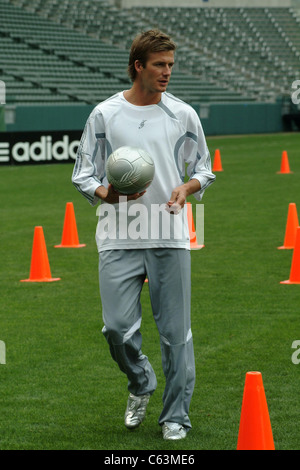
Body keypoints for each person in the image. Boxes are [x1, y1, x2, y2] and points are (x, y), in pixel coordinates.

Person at [72, 29, 215, 440]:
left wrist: (188, 188)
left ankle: (175, 417)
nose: (167, 72)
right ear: (138, 66)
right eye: (159, 65)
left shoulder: (182, 114)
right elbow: (83, 174)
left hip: (168, 231)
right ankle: (140, 382)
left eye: (171, 64)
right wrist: (108, 194)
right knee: (116, 328)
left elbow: (203, 169)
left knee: (175, 335)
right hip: (119, 234)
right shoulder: (105, 114)